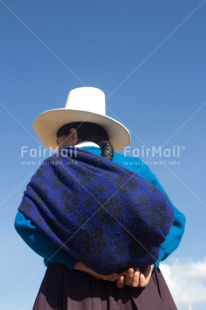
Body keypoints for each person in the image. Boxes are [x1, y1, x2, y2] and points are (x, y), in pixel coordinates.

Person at [15, 87, 186, 309]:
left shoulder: (54, 170)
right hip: (138, 289)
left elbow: (25, 224)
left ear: (73, 135)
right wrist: (150, 263)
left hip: (72, 291)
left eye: (58, 141)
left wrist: (79, 264)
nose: (57, 149)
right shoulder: (135, 166)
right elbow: (176, 220)